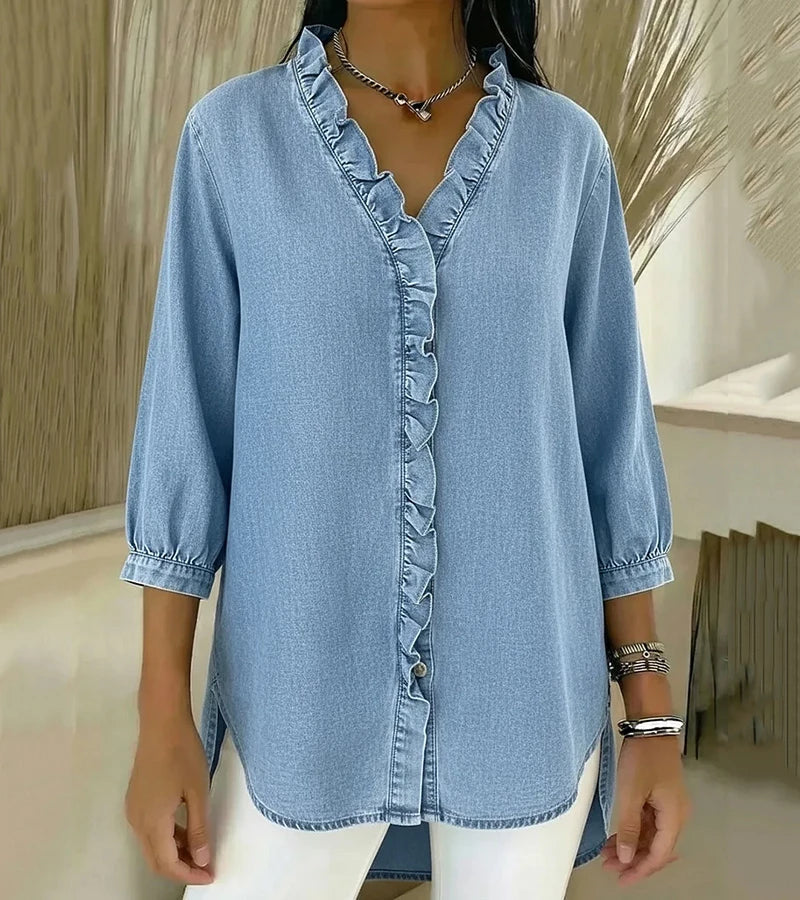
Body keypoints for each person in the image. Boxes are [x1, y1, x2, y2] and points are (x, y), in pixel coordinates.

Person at [120, 2, 692, 898]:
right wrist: (162, 719)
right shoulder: (232, 142)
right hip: (299, 700)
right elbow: (185, 440)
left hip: (526, 696)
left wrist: (651, 721)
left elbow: (609, 443)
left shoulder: (565, 154)